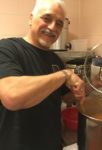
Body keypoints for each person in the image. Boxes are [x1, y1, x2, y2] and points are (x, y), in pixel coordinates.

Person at [0, 0, 85, 150]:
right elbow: (12, 96)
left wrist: (95, 84)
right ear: (30, 18)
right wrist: (65, 74)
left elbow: (66, 97)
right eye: (46, 19)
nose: (53, 27)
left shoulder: (55, 60)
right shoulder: (7, 48)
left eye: (59, 23)